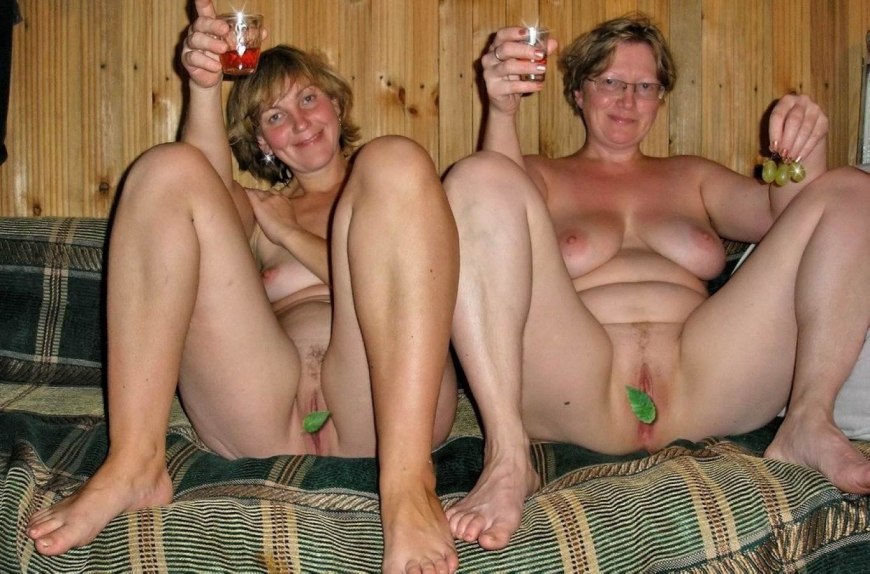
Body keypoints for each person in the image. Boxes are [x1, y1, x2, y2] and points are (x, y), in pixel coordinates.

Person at [25, 1, 461, 572]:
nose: (299, 122)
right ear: (261, 142)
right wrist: (205, 86)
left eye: (308, 99)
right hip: (260, 410)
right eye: (275, 116)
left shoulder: (396, 193)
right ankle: (134, 463)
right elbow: (198, 184)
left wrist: (291, 236)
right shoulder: (260, 210)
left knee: (397, 156)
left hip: (381, 409)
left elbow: (417, 288)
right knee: (166, 169)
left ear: (336, 104)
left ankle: (407, 487)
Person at [442, 13, 870, 551]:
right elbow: (492, 205)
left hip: (712, 382)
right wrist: (503, 111)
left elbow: (787, 215)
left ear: (661, 98)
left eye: (645, 86)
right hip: (574, 386)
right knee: (477, 177)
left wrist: (805, 140)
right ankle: (507, 457)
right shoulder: (541, 176)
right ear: (578, 92)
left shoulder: (691, 176)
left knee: (854, 190)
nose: (627, 99)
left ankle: (809, 420)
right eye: (611, 81)